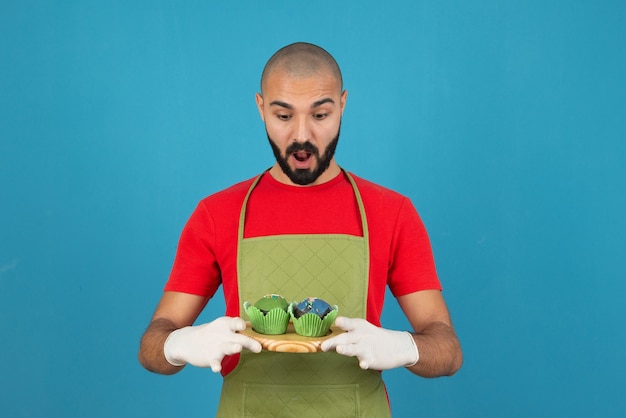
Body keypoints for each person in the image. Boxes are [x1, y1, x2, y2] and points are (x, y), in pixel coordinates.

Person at [138, 42, 462, 417]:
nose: (302, 135)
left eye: (320, 114)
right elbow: (152, 345)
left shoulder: (391, 212)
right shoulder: (217, 213)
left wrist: (407, 348)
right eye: (283, 115)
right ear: (261, 108)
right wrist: (177, 345)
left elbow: (448, 350)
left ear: (342, 106)